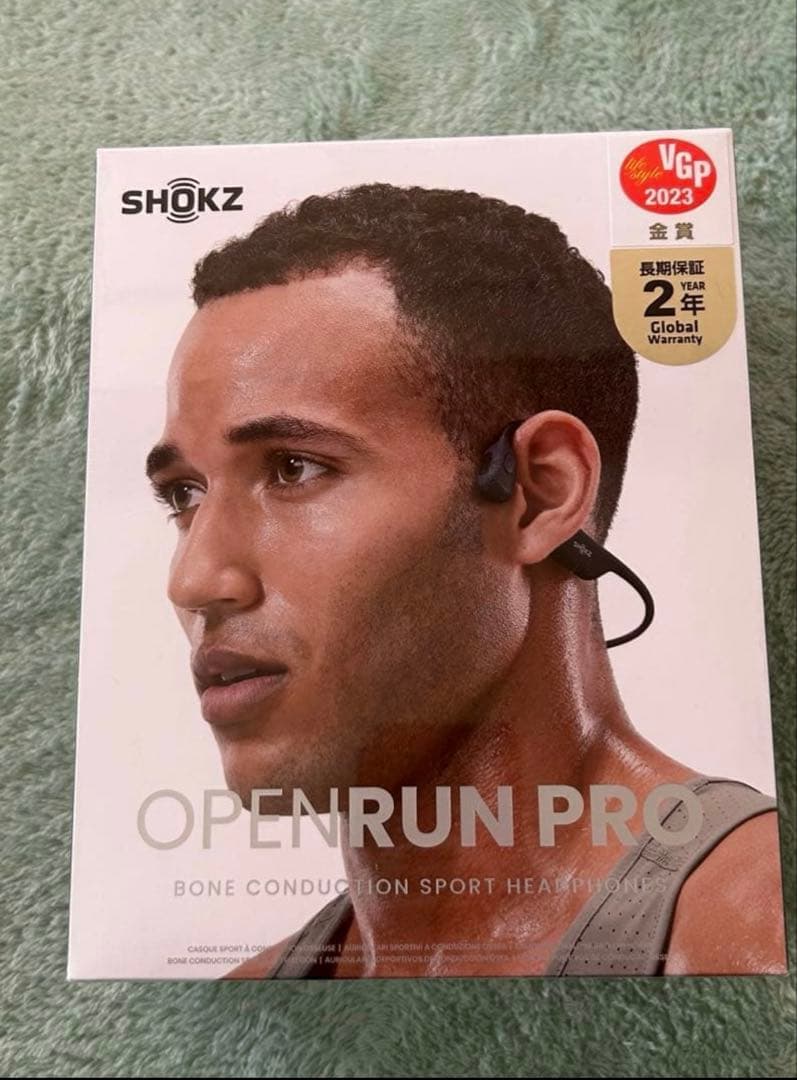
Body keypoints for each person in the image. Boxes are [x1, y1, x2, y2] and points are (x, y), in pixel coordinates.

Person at [145, 184, 786, 978]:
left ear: (539, 494)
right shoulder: (252, 998)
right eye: (183, 494)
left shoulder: (753, 924)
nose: (195, 579)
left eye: (294, 468)